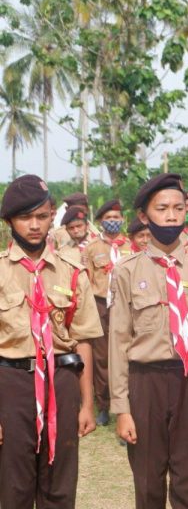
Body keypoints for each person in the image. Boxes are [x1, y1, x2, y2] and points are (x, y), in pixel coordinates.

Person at [109, 173, 188, 508]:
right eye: (162, 209)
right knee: (147, 480)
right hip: (146, 383)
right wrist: (121, 408)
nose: (173, 215)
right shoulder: (127, 272)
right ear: (145, 217)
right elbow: (118, 343)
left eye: (179, 208)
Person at [0, 174, 102, 508]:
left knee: (59, 482)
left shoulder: (72, 271)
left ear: (52, 216)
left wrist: (87, 403)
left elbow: (84, 340)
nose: (34, 225)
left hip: (61, 381)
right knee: (13, 484)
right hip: (12, 383)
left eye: (42, 216)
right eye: (25, 217)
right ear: (9, 221)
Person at [83, 199, 132, 427]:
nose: (113, 222)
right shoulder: (92, 249)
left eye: (116, 218)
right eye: (109, 218)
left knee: (127, 354)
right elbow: (87, 280)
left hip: (127, 306)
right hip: (101, 305)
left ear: (122, 220)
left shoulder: (131, 246)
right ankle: (103, 405)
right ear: (101, 221)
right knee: (102, 358)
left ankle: (126, 404)